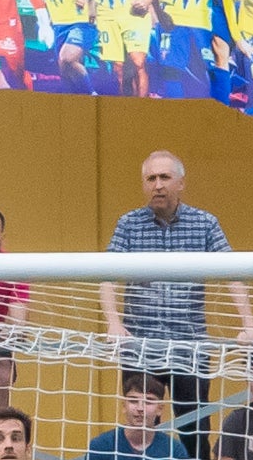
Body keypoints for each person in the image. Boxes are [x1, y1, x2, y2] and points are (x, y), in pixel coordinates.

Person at [98, 152, 242, 413]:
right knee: (140, 427)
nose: (158, 185)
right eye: (150, 178)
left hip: (190, 347)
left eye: (165, 177)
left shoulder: (205, 223)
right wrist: (113, 322)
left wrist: (248, 325)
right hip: (139, 346)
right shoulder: (128, 224)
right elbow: (107, 276)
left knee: (194, 433)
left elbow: (234, 274)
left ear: (181, 183)